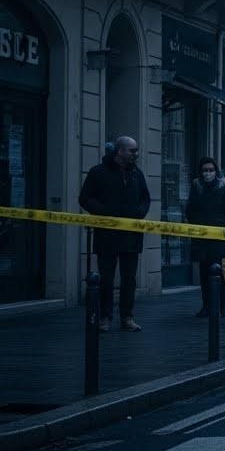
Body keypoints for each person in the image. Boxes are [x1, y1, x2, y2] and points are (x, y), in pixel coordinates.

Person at [78, 136, 151, 332]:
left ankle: (127, 317)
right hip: (107, 235)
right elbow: (85, 198)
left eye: (136, 150)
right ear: (119, 151)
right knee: (106, 280)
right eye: (132, 150)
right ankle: (105, 318)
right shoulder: (98, 172)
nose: (136, 154)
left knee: (129, 280)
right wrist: (104, 211)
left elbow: (146, 198)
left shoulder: (137, 173)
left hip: (131, 235)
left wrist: (139, 212)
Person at [185, 156, 225, 318]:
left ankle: (221, 307)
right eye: (205, 170)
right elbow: (190, 208)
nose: (208, 173)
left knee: (221, 273)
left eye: (211, 170)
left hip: (220, 236)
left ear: (216, 170)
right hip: (201, 237)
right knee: (204, 273)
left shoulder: (224, 185)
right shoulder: (196, 185)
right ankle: (206, 306)